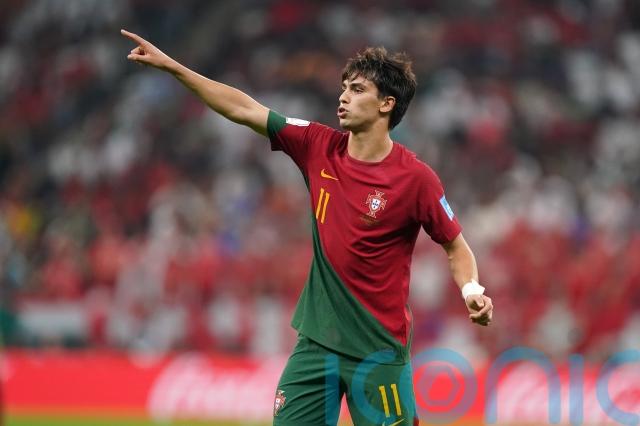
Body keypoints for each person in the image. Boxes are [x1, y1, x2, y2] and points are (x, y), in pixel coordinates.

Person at [121, 28, 493, 425]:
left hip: (379, 351)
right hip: (317, 345)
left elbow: (456, 246)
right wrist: (174, 68)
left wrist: (471, 290)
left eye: (357, 90)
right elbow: (244, 109)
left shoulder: (415, 179)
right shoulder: (318, 145)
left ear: (387, 103)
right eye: (344, 88)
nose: (343, 97)